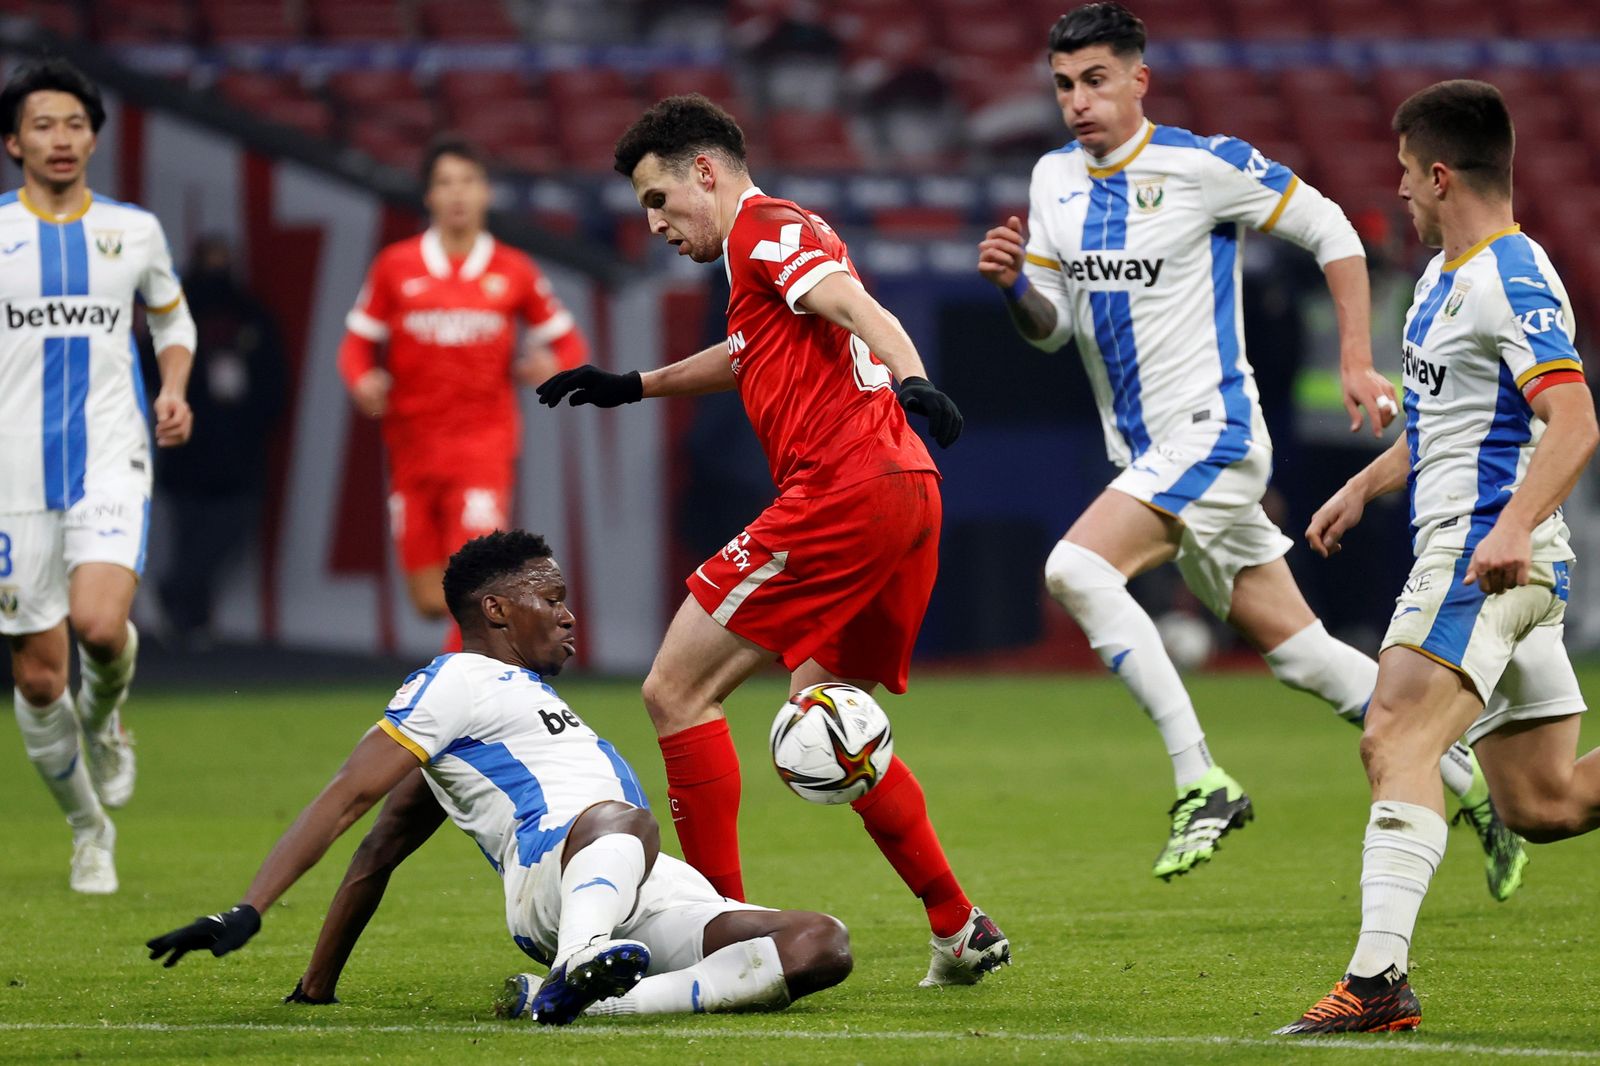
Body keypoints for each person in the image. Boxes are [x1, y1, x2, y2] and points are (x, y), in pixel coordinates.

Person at [975, 3, 1523, 891]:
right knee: (1302, 653)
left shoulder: (1203, 165)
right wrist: (1012, 290)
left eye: (1097, 80)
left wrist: (1355, 356)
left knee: (1075, 570)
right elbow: (1050, 328)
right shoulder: (1051, 183)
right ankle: (1472, 788)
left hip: (1215, 435)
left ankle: (1202, 780)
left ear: (1139, 79)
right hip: (1147, 454)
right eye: (1065, 85)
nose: (1078, 100)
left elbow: (1335, 231)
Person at [537, 94, 1010, 987]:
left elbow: (854, 305)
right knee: (830, 724)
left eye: (658, 200)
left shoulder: (762, 229)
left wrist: (914, 377)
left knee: (675, 689)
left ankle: (718, 932)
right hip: (906, 493)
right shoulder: (773, 245)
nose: (656, 223)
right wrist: (633, 385)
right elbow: (750, 349)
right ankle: (957, 923)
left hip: (844, 488)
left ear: (704, 173)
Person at [145, 530, 853, 1024]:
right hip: (560, 877)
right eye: (551, 597)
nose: (569, 615)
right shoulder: (454, 680)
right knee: (624, 817)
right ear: (495, 610)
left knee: (823, 943)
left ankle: (607, 999)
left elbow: (381, 850)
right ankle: (578, 959)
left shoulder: (511, 707)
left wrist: (315, 988)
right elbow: (349, 797)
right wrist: (250, 908)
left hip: (645, 892)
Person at [1279, 80, 1600, 1035]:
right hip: (1483, 549)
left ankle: (1377, 982)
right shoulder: (1442, 278)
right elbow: (1447, 424)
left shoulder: (1513, 275)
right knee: (1544, 801)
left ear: (1443, 173)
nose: (1402, 192)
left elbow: (1574, 421)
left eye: (1408, 175)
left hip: (1483, 555)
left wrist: (1508, 531)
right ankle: (1379, 985)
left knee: (1395, 738)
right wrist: (1362, 486)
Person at [0, 58, 196, 894]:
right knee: (39, 676)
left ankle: (108, 714)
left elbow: (170, 316)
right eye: (43, 124)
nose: (61, 138)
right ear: (13, 142)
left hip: (110, 457)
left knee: (99, 628)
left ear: (94, 137)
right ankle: (89, 830)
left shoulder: (133, 232)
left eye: (75, 124)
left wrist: (176, 388)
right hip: (12, 477)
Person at [337, 137, 588, 648]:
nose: (458, 194)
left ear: (485, 193)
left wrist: (549, 364)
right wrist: (362, 380)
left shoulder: (512, 269)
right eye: (445, 183)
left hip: (483, 447)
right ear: (428, 196)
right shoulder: (396, 266)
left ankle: (462, 703)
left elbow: (568, 341)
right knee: (432, 600)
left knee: (474, 588)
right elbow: (355, 346)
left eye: (468, 182)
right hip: (411, 447)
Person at [150, 235, 286, 646]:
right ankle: (190, 619)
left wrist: (255, 415)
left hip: (238, 451)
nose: (216, 271)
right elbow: (148, 365)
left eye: (222, 260)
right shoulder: (178, 317)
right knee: (190, 534)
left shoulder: (250, 315)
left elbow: (274, 376)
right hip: (188, 447)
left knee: (228, 532)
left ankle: (181, 596)